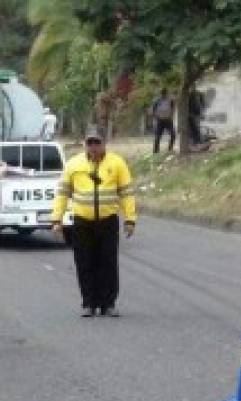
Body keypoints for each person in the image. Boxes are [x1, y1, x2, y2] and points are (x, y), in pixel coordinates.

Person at [51, 125, 136, 318]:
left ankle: (108, 304)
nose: (93, 147)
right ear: (84, 144)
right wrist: (57, 219)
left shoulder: (117, 163)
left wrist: (130, 219)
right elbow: (63, 194)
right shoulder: (73, 165)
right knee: (84, 263)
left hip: (107, 221)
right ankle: (89, 303)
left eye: (97, 142)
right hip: (82, 222)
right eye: (90, 142)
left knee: (108, 263)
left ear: (104, 143)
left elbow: (126, 193)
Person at [151, 89, 176, 154]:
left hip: (168, 120)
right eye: (163, 94)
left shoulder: (170, 100)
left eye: (165, 94)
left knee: (173, 135)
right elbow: (153, 111)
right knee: (158, 136)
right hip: (160, 120)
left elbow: (173, 108)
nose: (164, 95)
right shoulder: (157, 101)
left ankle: (170, 149)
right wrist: (157, 117)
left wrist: (171, 115)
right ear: (161, 94)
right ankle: (156, 151)